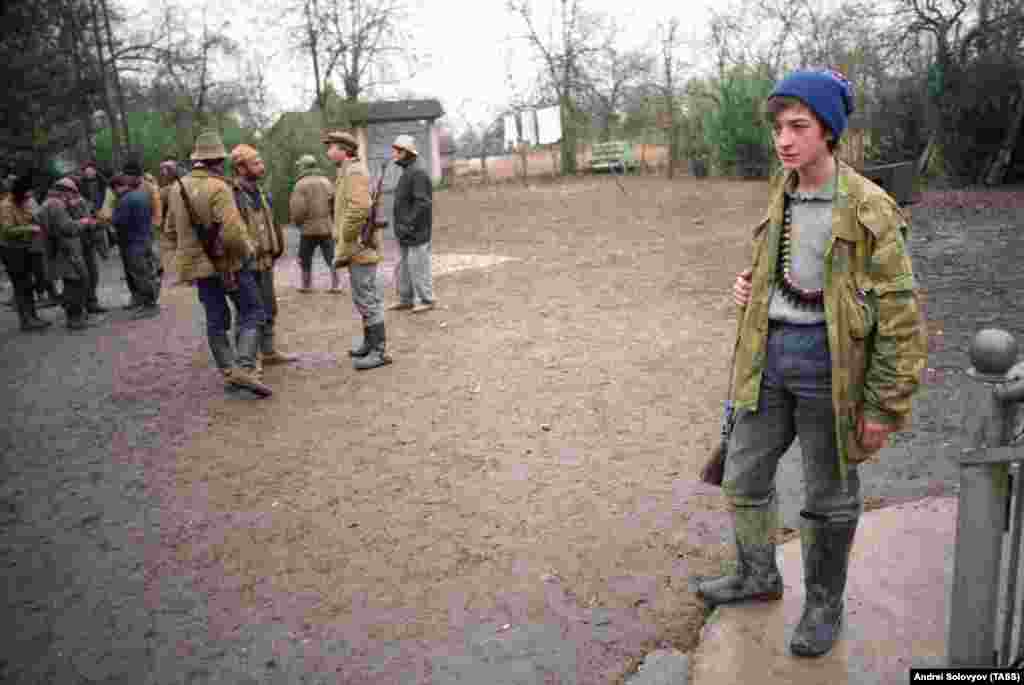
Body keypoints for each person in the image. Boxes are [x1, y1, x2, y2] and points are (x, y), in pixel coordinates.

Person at [694, 69, 928, 657]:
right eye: (778, 127)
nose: (784, 139)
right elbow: (785, 267)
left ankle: (824, 604)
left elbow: (900, 317)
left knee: (829, 498)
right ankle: (758, 576)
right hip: (769, 358)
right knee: (743, 476)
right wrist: (752, 285)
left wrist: (882, 407)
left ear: (830, 132)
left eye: (799, 126)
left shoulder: (870, 209)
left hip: (833, 369)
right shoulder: (785, 188)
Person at [162, 130, 271, 397]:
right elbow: (233, 232)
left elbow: (170, 231)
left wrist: (182, 261)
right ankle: (243, 368)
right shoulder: (219, 186)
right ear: (219, 159)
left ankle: (228, 370)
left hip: (200, 269)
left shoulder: (177, 188)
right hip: (229, 265)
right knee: (254, 312)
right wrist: (248, 251)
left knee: (216, 318)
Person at [323, 130, 392, 370]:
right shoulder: (346, 172)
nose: (328, 150)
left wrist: (346, 239)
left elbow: (359, 209)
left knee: (367, 298)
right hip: (357, 245)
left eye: (331, 146)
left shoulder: (353, 172)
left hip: (359, 245)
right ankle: (369, 343)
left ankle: (379, 350)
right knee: (361, 297)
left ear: (344, 150)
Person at [230, 144, 296, 367]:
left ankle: (268, 352)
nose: (261, 166)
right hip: (245, 263)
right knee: (248, 312)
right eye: (255, 163)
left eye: (260, 161)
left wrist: (276, 248)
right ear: (240, 168)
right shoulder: (233, 195)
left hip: (265, 261)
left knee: (268, 306)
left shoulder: (260, 192)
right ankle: (247, 360)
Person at [34, 178, 97, 330]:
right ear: (64, 191)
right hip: (66, 251)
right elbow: (67, 228)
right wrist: (83, 222)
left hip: (59, 250)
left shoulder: (49, 203)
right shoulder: (56, 204)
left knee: (73, 282)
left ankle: (75, 315)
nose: (73, 197)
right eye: (72, 193)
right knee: (75, 284)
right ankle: (74, 319)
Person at [387, 134, 435, 313]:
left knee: (419, 266)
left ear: (407, 152)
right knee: (405, 267)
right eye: (395, 150)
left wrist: (409, 223)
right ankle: (406, 299)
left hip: (416, 230)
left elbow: (423, 203)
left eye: (398, 150)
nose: (395, 154)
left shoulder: (418, 172)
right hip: (406, 230)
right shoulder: (409, 170)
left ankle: (426, 300)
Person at [0, 174, 50, 331]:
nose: (30, 196)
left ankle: (33, 316)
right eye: (28, 193)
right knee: (21, 285)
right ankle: (26, 320)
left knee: (28, 284)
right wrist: (29, 228)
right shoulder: (6, 206)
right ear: (20, 192)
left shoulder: (23, 202)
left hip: (24, 247)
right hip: (11, 250)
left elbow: (28, 216)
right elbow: (7, 230)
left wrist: (34, 218)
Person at [110, 174, 160, 318]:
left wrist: (110, 220)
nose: (114, 193)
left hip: (133, 242)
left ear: (118, 187)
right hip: (145, 238)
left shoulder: (124, 200)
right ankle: (144, 300)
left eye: (114, 190)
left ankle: (149, 305)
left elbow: (119, 221)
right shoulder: (142, 195)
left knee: (140, 274)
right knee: (146, 271)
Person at [289, 154, 340, 294]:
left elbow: (298, 208)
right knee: (331, 257)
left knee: (304, 258)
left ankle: (307, 285)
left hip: (308, 229)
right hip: (326, 227)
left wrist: (298, 222)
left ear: (303, 167)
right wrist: (333, 221)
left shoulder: (300, 184)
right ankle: (336, 284)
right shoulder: (326, 181)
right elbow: (335, 203)